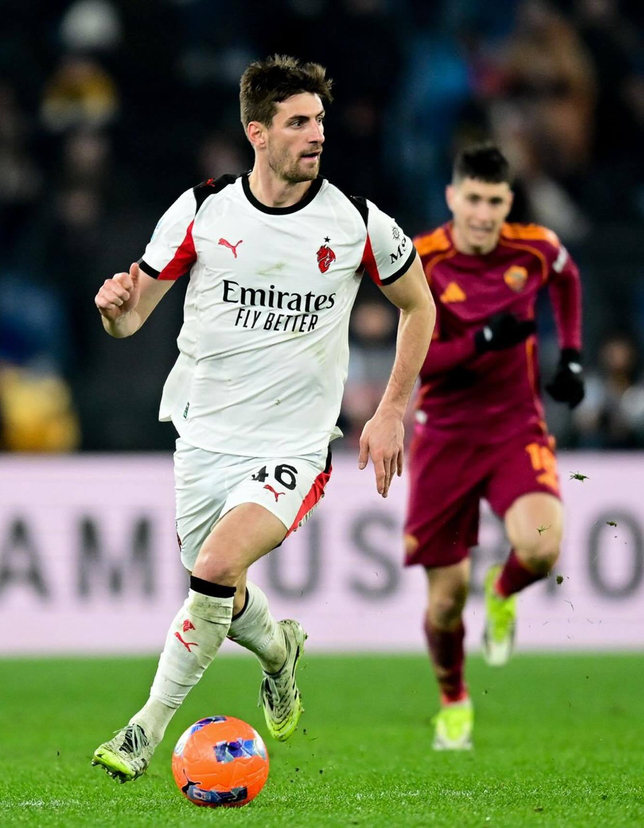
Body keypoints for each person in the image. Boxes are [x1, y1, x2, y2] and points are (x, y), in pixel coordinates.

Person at [91, 55, 435, 782]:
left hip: (293, 446)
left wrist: (391, 409)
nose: (317, 135)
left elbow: (420, 305)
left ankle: (145, 729)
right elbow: (132, 318)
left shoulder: (356, 223)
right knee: (217, 586)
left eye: (320, 121)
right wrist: (115, 310)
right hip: (203, 437)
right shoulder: (202, 211)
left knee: (215, 568)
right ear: (258, 132)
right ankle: (279, 653)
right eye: (298, 122)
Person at [403, 143, 583, 751]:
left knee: (542, 547)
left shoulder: (535, 248)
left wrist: (573, 355)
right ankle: (454, 700)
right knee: (445, 603)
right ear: (452, 197)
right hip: (444, 438)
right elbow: (419, 362)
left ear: (509, 203)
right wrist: (483, 340)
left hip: (514, 429)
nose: (483, 213)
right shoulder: (422, 260)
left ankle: (502, 592)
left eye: (495, 202)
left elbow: (568, 278)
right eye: (473, 199)